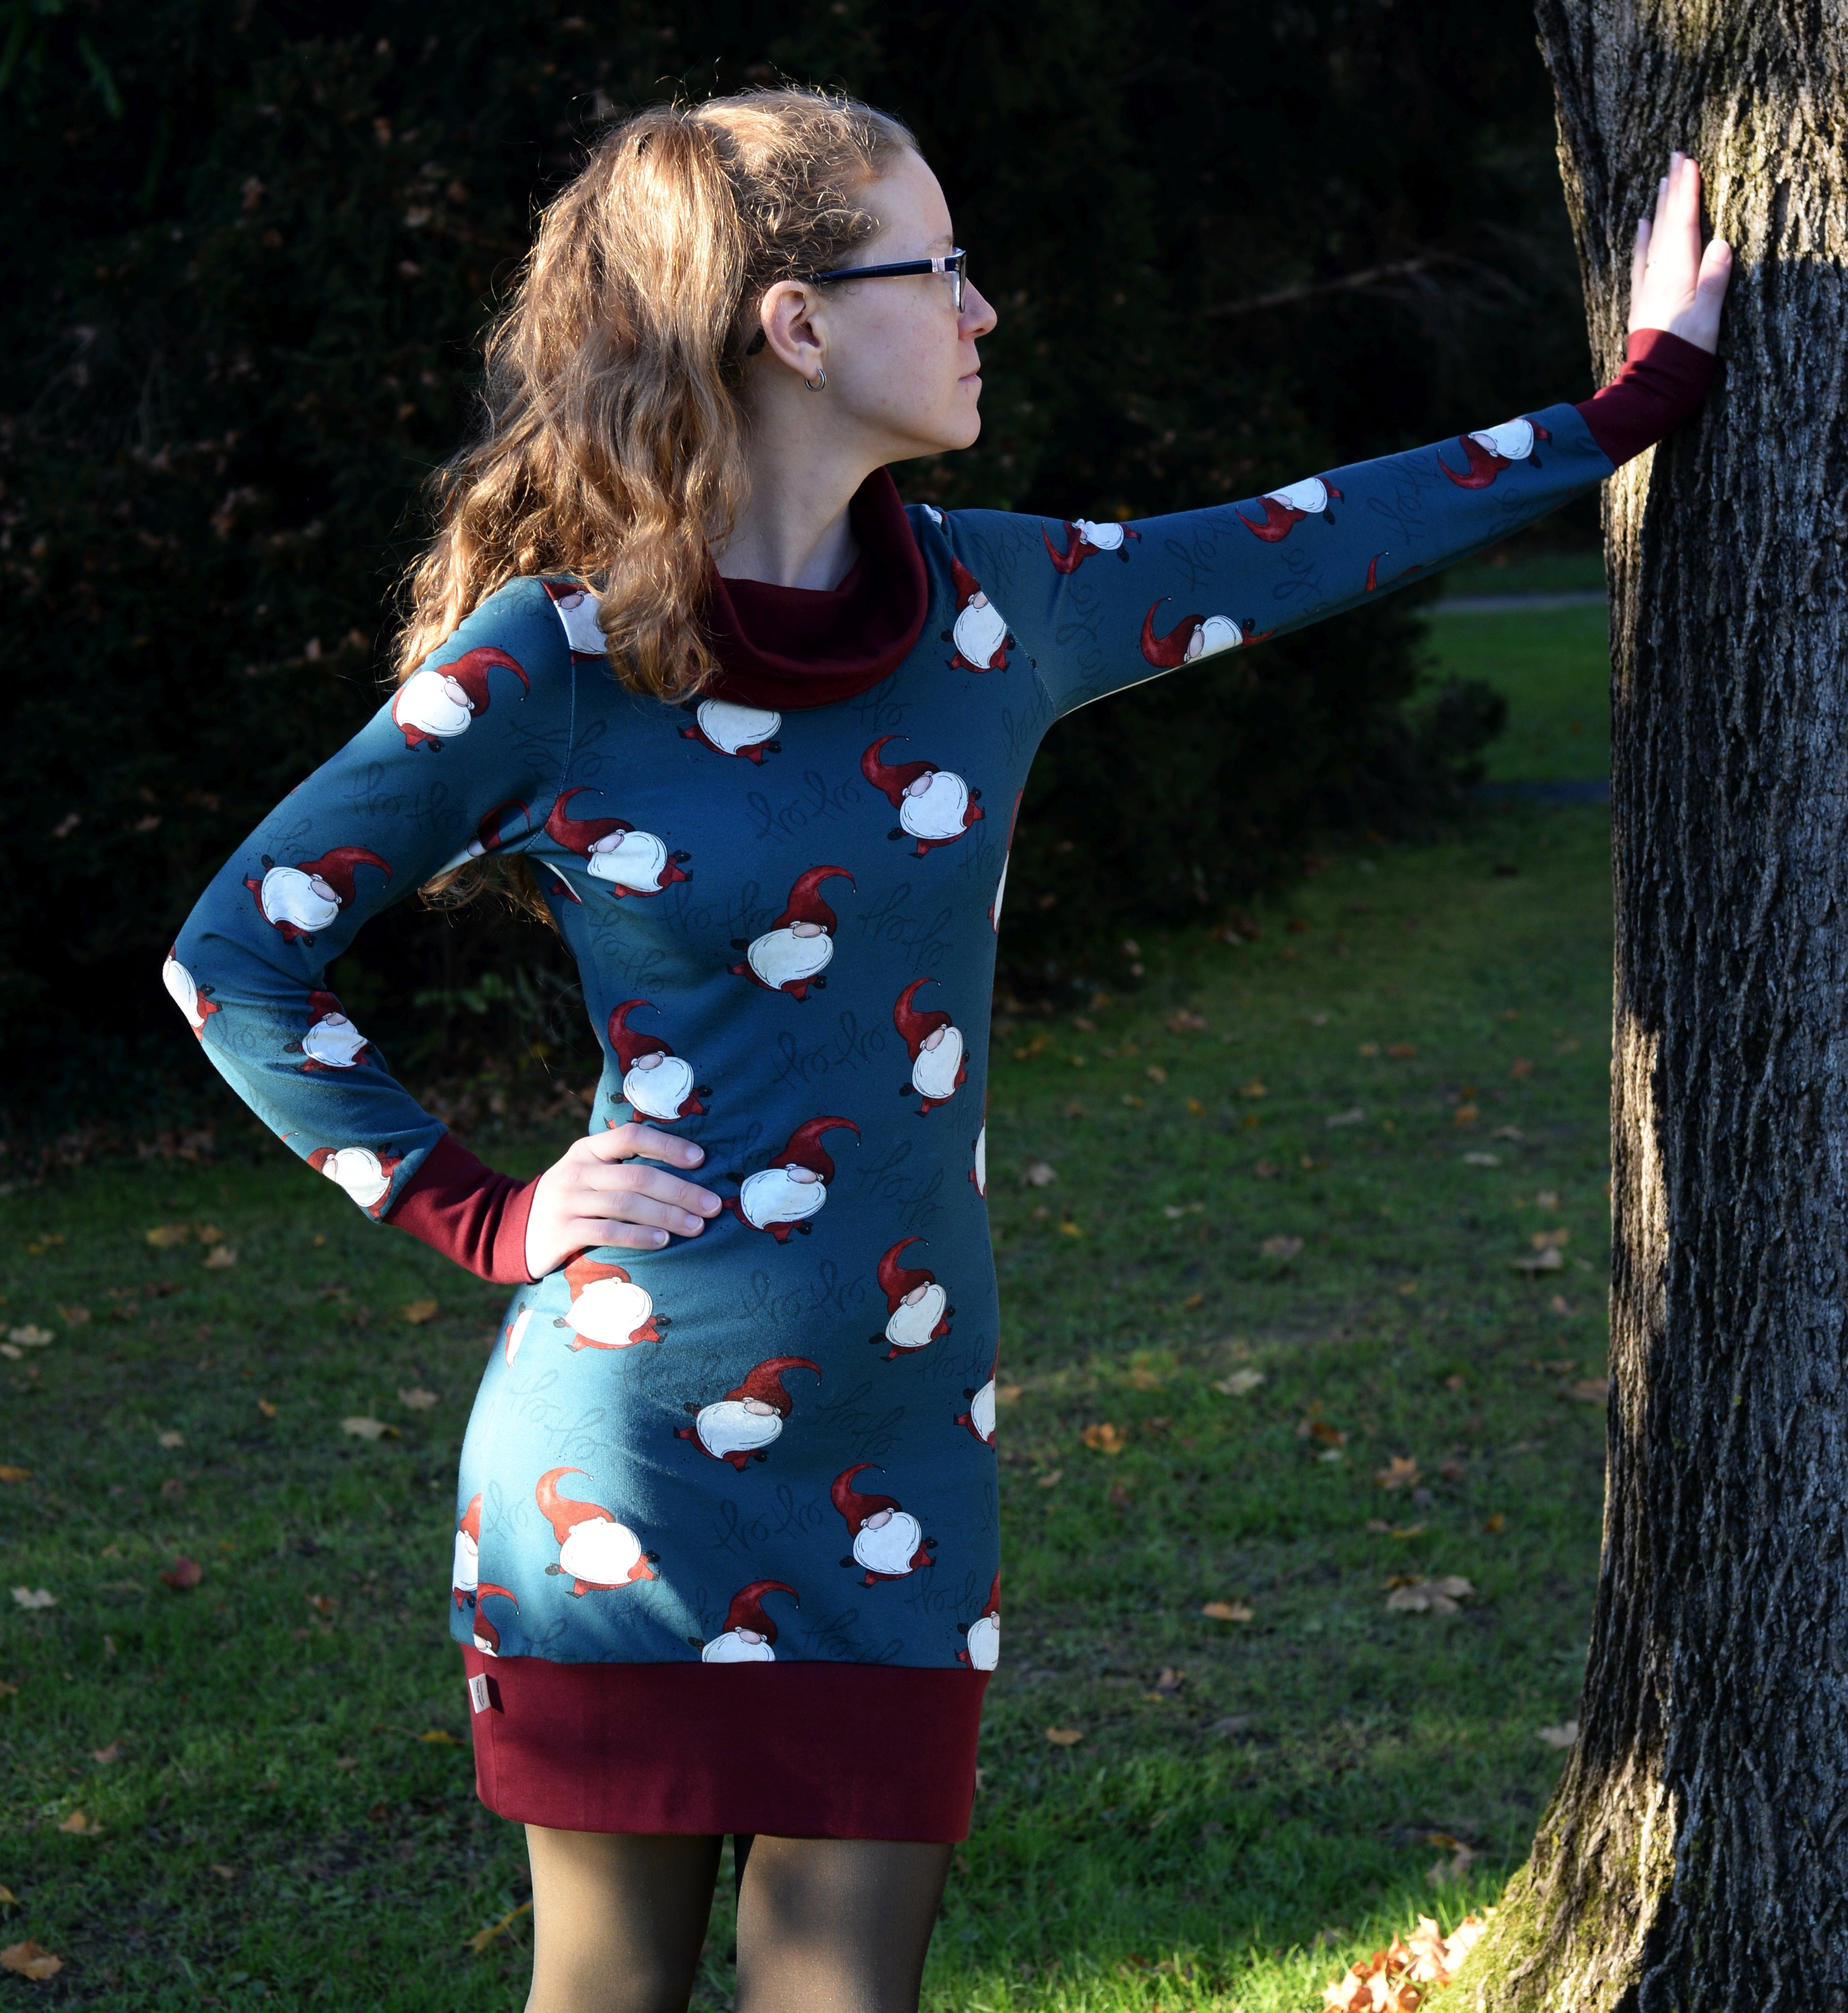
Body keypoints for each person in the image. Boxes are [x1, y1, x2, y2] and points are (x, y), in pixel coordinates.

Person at [168, 88, 1729, 2013]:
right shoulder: (548, 665)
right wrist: (477, 1212)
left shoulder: (1001, 606)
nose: (984, 309)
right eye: (943, 268)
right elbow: (235, 954)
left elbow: (1309, 537)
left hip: (905, 1457)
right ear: (797, 326)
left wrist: (1630, 405)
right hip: (624, 1472)